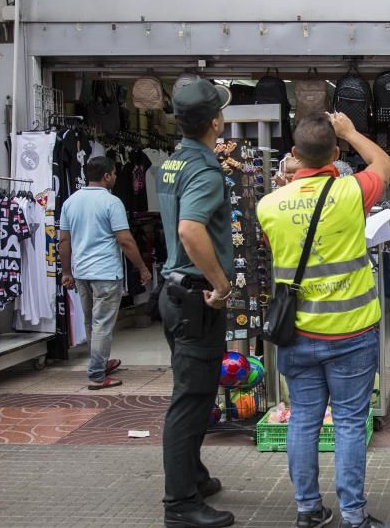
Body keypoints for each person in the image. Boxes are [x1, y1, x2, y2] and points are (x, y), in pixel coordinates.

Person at [257, 112, 390, 528]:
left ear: (294, 155)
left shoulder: (268, 204)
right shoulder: (352, 192)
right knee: (351, 424)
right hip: (352, 333)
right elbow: (383, 164)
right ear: (336, 153)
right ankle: (354, 515)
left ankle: (308, 510)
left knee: (303, 420)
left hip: (296, 334)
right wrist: (351, 131)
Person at [156, 78, 236, 528]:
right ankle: (181, 503)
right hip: (195, 296)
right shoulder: (204, 169)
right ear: (214, 121)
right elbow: (191, 229)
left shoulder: (173, 162)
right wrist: (220, 283)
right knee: (191, 399)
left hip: (175, 291)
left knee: (193, 390)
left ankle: (194, 475)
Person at [59, 155, 152, 390]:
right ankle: (97, 375)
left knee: (91, 322)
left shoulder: (71, 201)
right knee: (102, 324)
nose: (115, 178)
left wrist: (67, 272)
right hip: (106, 273)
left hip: (82, 273)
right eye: (114, 174)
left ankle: (98, 362)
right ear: (107, 176)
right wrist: (142, 267)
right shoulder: (112, 202)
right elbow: (125, 240)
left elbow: (64, 241)